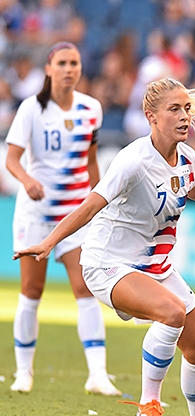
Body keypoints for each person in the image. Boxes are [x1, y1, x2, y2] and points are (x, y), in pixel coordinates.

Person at [13, 78, 195, 416]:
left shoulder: (188, 156)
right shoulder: (132, 160)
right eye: (174, 109)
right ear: (150, 117)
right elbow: (91, 205)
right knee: (172, 313)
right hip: (107, 263)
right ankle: (149, 404)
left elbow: (192, 184)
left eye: (187, 109)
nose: (184, 117)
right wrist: (49, 242)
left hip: (154, 265)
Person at [6, 42, 119, 396]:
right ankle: (23, 373)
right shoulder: (31, 110)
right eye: (63, 63)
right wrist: (27, 180)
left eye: (75, 62)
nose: (70, 69)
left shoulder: (91, 109)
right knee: (31, 291)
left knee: (85, 288)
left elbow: (91, 161)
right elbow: (12, 159)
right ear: (49, 68)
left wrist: (101, 199)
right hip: (36, 214)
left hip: (75, 215)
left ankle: (97, 374)